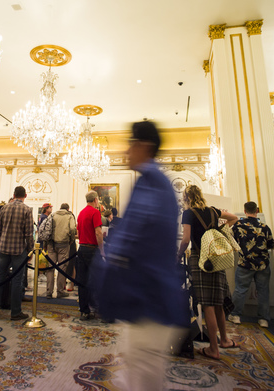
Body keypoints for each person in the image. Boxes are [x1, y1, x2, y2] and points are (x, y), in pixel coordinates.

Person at [98, 120, 191, 391]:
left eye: (131, 144)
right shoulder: (154, 182)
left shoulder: (151, 183)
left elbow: (131, 240)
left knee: (143, 376)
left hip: (150, 300)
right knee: (138, 370)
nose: (126, 150)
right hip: (148, 298)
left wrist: (105, 271)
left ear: (144, 146)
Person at [177, 184, 240, 360]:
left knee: (208, 304)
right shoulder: (213, 211)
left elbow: (186, 239)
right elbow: (234, 218)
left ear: (186, 198)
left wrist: (178, 255)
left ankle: (213, 348)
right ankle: (225, 339)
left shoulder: (188, 213)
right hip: (216, 258)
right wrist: (220, 231)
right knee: (219, 301)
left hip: (200, 259)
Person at [0, 186, 34, 320]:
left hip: (3, 249)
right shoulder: (26, 210)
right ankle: (15, 312)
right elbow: (28, 233)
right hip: (18, 250)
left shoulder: (4, 208)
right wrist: (30, 250)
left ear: (13, 194)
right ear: (25, 195)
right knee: (17, 281)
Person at [229, 201, 274, 328]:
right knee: (263, 291)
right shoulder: (264, 226)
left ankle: (236, 315)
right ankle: (263, 318)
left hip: (245, 263)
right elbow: (270, 244)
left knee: (240, 290)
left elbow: (231, 239)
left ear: (244, 211)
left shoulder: (238, 225)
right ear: (257, 210)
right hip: (262, 263)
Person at [76, 190, 104, 320]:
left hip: (81, 249)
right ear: (95, 200)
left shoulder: (81, 213)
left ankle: (84, 310)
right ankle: (100, 309)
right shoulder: (95, 212)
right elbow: (98, 233)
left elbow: (78, 232)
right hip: (92, 250)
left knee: (82, 281)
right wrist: (102, 250)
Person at [45, 203, 76, 299]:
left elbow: (46, 228)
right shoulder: (69, 216)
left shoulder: (53, 214)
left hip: (51, 244)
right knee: (62, 268)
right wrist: (71, 240)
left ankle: (49, 292)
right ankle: (60, 291)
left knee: (50, 268)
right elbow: (72, 229)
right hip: (63, 244)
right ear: (68, 209)